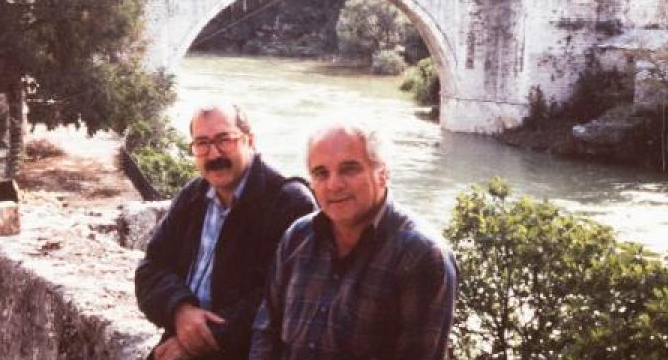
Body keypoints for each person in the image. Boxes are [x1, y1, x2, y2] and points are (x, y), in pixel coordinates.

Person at [250, 125, 457, 360]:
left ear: (383, 173)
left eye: (349, 169)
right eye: (321, 173)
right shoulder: (298, 237)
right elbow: (265, 330)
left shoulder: (420, 255)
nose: (334, 185)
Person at [135, 104, 316, 360]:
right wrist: (180, 309)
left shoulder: (288, 202)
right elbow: (151, 267)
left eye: (224, 140)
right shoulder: (193, 196)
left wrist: (196, 340)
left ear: (250, 140)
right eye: (202, 143)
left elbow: (280, 299)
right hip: (181, 335)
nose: (214, 153)